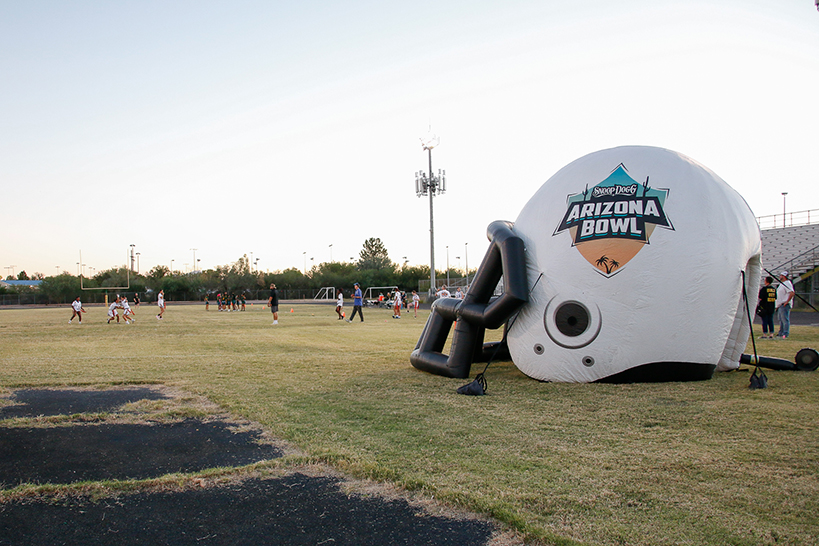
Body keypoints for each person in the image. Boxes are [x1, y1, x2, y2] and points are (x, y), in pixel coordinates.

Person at [775, 271, 795, 339]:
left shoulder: (787, 283)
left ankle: (785, 333)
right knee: (781, 319)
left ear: (784, 276)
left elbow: (791, 292)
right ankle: (781, 332)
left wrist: (787, 302)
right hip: (780, 304)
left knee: (784, 319)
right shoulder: (782, 284)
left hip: (784, 304)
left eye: (780, 275)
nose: (779, 277)